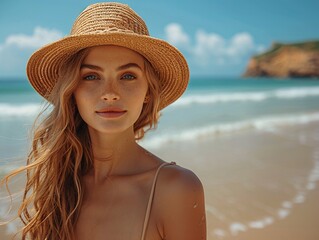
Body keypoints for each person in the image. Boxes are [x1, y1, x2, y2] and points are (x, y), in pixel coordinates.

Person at [3, 2, 206, 239]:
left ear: (148, 91)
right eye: (91, 76)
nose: (110, 92)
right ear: (72, 92)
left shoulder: (176, 189)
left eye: (128, 75)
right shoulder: (58, 185)